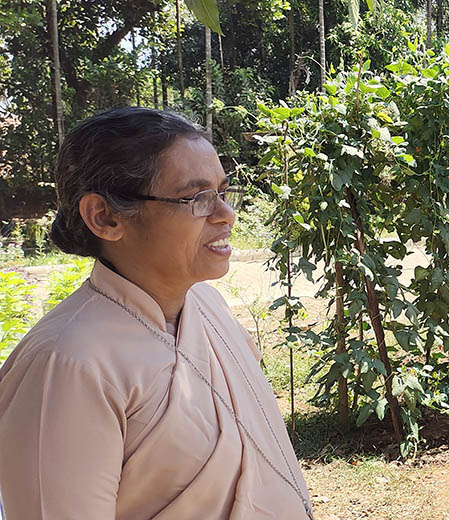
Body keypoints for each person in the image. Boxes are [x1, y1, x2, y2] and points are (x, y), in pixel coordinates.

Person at [0, 107, 313, 519]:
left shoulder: (206, 305)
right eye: (197, 198)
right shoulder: (68, 364)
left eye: (223, 192)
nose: (226, 215)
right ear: (105, 217)